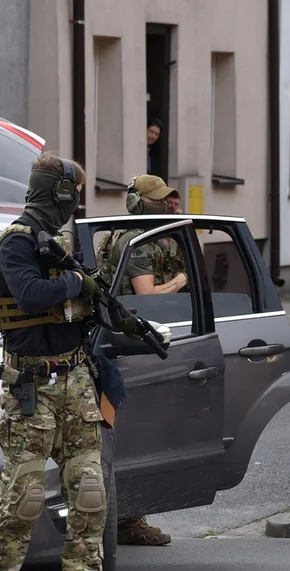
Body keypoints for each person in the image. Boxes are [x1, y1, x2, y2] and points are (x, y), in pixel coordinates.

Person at [0, 152, 123, 571]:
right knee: (23, 497)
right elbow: (31, 295)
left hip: (76, 380)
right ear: (57, 193)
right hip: (32, 385)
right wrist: (77, 281)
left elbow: (84, 304)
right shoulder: (15, 245)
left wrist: (89, 291)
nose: (76, 203)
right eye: (72, 193)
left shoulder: (66, 244)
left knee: (90, 495)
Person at [93, 174, 187, 546]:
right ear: (137, 202)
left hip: (127, 341)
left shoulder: (125, 235)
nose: (165, 205)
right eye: (157, 199)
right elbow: (146, 295)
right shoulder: (137, 243)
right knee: (136, 434)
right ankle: (128, 519)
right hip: (135, 345)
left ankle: (126, 517)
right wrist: (181, 280)